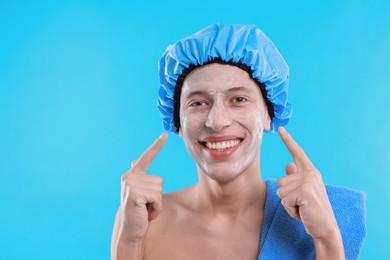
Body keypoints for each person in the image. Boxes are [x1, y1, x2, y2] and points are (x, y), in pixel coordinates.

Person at [111, 24, 366, 260]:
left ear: (269, 114)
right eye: (198, 103)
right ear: (177, 121)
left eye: (239, 99)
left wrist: (327, 237)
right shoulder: (143, 222)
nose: (217, 121)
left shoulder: (327, 215)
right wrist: (129, 243)